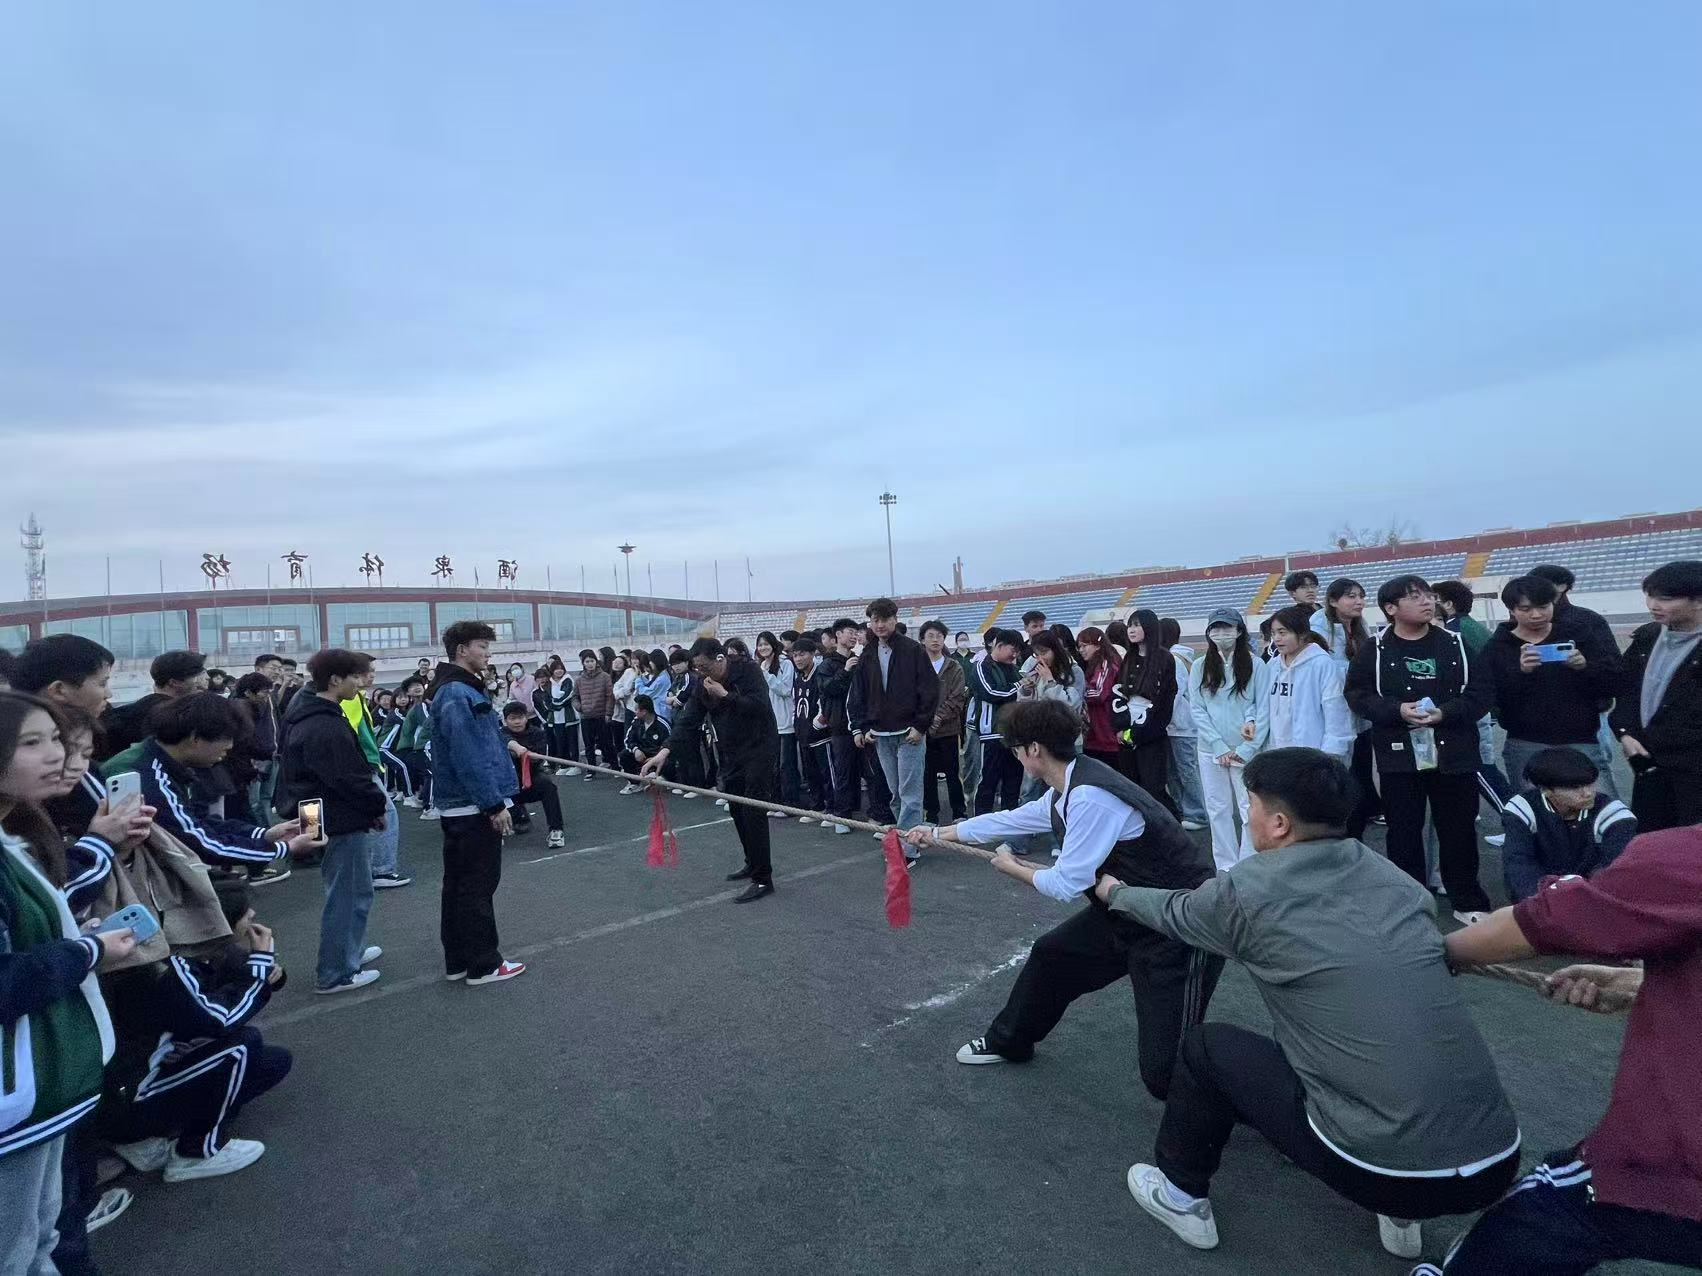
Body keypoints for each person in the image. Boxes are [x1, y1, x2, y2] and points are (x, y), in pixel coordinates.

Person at [1099, 748, 1520, 1258]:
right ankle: (1401, 1217)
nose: (1247, 814)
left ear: (1279, 824)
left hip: (1383, 1171)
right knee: (1356, 1029)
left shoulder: (1247, 893)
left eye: (1251, 804)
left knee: (1206, 1048)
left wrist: (1116, 893)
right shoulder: (1400, 885)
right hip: (1498, 1160)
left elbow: (1176, 912)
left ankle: (1180, 1195)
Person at [901, 699, 1221, 1100]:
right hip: (1125, 912)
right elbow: (1011, 819)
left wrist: (1011, 866)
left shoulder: (1090, 796)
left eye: (1016, 749)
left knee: (1166, 1074)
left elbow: (1066, 884)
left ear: (1034, 749)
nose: (1015, 756)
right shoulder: (1067, 786)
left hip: (1178, 928)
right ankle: (1009, 1041)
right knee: (1052, 955)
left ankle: (1253, 1097)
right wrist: (936, 834)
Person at [1431, 823, 1702, 1274]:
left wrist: (1433, 954)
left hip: (1670, 1169)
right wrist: (1646, 983)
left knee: (1530, 1223)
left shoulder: (1684, 857)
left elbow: (1545, 921)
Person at [0, 693, 130, 1276]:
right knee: (19, 1248)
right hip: (20, 1088)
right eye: (32, 743)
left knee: (43, 1234)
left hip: (44, 1082)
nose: (58, 756)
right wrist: (86, 951)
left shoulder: (16, 839)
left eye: (57, 739)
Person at [96, 877, 290, 1183]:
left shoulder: (200, 952)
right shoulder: (168, 969)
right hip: (129, 1097)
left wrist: (267, 972)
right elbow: (222, 1019)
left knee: (272, 1061)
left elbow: (236, 978)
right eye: (246, 915)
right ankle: (194, 1152)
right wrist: (261, 967)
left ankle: (163, 1133)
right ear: (218, 923)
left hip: (151, 1068)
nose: (253, 918)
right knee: (241, 1047)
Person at [1344, 575, 1495, 923]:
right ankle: (1410, 900)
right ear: (1391, 608)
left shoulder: (1455, 644)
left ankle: (1467, 900)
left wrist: (1446, 713)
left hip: (1454, 751)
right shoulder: (1376, 649)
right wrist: (1396, 710)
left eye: (1428, 595)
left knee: (1458, 828)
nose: (1427, 601)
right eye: (1414, 597)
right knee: (1403, 829)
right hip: (1398, 753)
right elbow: (1357, 695)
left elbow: (1482, 693)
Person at [272, 649, 385, 994]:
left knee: (345, 886)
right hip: (338, 814)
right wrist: (376, 807)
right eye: (356, 677)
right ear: (335, 680)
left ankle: (349, 952)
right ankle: (336, 971)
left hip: (315, 810)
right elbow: (349, 778)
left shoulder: (304, 710)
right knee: (348, 892)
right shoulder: (324, 723)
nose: (361, 684)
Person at [640, 638, 780, 903]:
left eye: (705, 667)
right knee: (736, 808)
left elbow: (760, 707)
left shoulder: (748, 671)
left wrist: (725, 695)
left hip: (760, 749)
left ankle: (763, 878)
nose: (702, 673)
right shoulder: (702, 684)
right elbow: (688, 720)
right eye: (697, 668)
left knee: (753, 811)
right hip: (730, 751)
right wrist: (664, 752)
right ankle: (752, 862)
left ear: (720, 659)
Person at [427, 622, 527, 985]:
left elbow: (478, 740)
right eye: (482, 646)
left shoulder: (456, 688)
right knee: (477, 886)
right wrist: (493, 805)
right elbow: (467, 754)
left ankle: (458, 961)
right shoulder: (457, 692)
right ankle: (484, 964)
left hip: (460, 804)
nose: (488, 653)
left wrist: (507, 744)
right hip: (471, 806)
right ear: (461, 650)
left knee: (457, 885)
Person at [135, 694, 315, 877]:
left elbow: (200, 822)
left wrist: (266, 834)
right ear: (195, 738)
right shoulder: (153, 779)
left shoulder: (164, 764)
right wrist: (283, 848)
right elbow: (202, 843)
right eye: (225, 744)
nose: (226, 752)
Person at [1479, 574, 1623, 787]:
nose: (1536, 615)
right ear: (1512, 610)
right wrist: (1521, 672)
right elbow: (1489, 696)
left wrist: (1585, 667)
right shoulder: (1498, 646)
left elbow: (1614, 681)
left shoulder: (1577, 634)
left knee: (1598, 801)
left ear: (1553, 603)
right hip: (1525, 741)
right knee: (1534, 805)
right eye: (1526, 609)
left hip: (1581, 738)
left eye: (1543, 607)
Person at [1610, 559, 1702, 831]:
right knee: (1652, 841)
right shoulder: (1648, 636)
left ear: (1698, 601)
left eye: (1665, 598)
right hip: (1649, 766)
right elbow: (1626, 690)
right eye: (1650, 596)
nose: (1653, 605)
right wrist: (1625, 733)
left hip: (1692, 770)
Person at [851, 598, 939, 859]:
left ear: (894, 620)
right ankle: (906, 838)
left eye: (885, 619)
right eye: (875, 620)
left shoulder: (912, 650)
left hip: (909, 733)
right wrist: (861, 727)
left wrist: (920, 726)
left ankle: (908, 850)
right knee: (896, 794)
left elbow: (930, 689)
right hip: (881, 734)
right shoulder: (868, 653)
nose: (880, 625)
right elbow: (859, 693)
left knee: (910, 794)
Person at [1499, 746, 1636, 903]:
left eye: (1590, 784)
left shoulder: (1615, 814)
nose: (1588, 793)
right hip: (1539, 897)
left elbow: (1614, 869)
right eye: (1575, 787)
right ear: (1545, 790)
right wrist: (1540, 902)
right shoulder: (1522, 808)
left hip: (1594, 899)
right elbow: (1519, 864)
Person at [1432, 580, 1515, 817]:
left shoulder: (1455, 633)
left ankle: (1516, 819)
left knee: (1480, 768)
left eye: (1435, 599)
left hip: (1471, 709)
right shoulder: (1473, 626)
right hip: (1481, 706)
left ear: (1448, 605)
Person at [1190, 609, 1264, 871]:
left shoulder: (1256, 664)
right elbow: (1197, 709)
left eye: (1227, 628)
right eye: (1216, 628)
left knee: (1248, 808)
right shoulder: (1200, 666)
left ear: (1239, 631)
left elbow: (1262, 706)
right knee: (1217, 809)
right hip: (1210, 749)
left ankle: (1248, 863)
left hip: (1244, 750)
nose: (1221, 634)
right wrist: (1217, 745)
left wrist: (1247, 748)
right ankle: (1225, 866)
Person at [1310, 578, 1383, 834]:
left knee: (1360, 773)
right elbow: (1323, 671)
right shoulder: (1319, 629)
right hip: (1335, 715)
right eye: (1351, 596)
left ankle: (1356, 828)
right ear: (1333, 601)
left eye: (1361, 596)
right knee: (1340, 776)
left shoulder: (1361, 627)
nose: (1358, 601)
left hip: (1361, 715)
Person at [339, 667, 410, 890]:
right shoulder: (348, 700)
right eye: (366, 672)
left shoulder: (355, 698)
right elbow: (348, 735)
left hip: (360, 765)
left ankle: (365, 871)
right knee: (385, 812)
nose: (371, 676)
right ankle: (381, 870)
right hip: (358, 767)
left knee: (341, 822)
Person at [1262, 605, 1353, 759]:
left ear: (1303, 634)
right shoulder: (1272, 666)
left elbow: (1335, 709)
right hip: (1277, 751)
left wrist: (1332, 751)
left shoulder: (1322, 664)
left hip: (1312, 752)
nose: (1276, 638)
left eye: (1282, 633)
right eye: (1273, 633)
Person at [1115, 608, 1179, 817]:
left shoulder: (1164, 659)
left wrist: (1139, 731)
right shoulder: (1128, 658)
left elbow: (1163, 701)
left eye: (1137, 625)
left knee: (1154, 787)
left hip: (1151, 733)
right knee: (1131, 786)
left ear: (1149, 627)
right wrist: (1121, 727)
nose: (1131, 630)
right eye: (1130, 626)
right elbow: (1117, 692)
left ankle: (1171, 826)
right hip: (1127, 731)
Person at [99, 650, 209, 759]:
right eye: (198, 675)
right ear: (175, 682)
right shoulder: (174, 717)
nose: (206, 678)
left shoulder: (132, 710)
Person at [969, 629, 1025, 813]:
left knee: (1013, 782)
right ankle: (980, 821)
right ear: (999, 646)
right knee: (987, 781)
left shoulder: (1014, 669)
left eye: (1017, 652)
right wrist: (1019, 686)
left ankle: (1010, 822)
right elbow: (991, 693)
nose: (1015, 655)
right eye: (1013, 650)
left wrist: (1022, 687)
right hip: (991, 734)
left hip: (1013, 735)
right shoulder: (981, 666)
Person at [1160, 618, 1208, 831]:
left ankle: (1196, 814)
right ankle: (1183, 810)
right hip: (1175, 726)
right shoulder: (1178, 658)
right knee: (1175, 772)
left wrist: (1161, 718)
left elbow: (1174, 694)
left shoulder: (1175, 660)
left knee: (1186, 771)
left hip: (1181, 726)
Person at [918, 620, 968, 825]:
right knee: (927, 774)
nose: (935, 640)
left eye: (939, 636)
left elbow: (957, 698)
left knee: (953, 773)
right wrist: (924, 722)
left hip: (948, 730)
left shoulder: (954, 667)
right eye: (931, 635)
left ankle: (959, 813)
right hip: (922, 731)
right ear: (922, 640)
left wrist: (937, 718)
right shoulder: (916, 666)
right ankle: (931, 815)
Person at [499, 703, 565, 847]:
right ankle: (509, 823)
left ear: (526, 718)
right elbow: (503, 739)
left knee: (548, 786)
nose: (517, 722)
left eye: (520, 717)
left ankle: (556, 830)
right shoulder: (499, 734)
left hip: (531, 777)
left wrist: (527, 754)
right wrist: (515, 749)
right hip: (507, 784)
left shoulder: (537, 733)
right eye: (512, 718)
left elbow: (538, 758)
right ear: (505, 720)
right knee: (520, 825)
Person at [789, 637, 833, 824]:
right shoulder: (799, 678)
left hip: (821, 736)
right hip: (803, 735)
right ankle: (817, 807)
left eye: (802, 654)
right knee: (811, 774)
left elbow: (825, 705)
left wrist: (816, 726)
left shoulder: (820, 674)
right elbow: (795, 703)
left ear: (813, 654)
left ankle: (833, 809)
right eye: (795, 655)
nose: (798, 659)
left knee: (827, 774)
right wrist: (797, 725)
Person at [756, 632, 798, 816]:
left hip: (786, 722)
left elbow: (785, 690)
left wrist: (766, 675)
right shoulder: (762, 665)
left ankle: (790, 804)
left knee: (786, 766)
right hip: (770, 724)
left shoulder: (785, 663)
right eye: (760, 645)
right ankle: (776, 802)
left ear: (773, 645)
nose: (763, 648)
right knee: (772, 766)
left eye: (766, 644)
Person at [1076, 625, 1124, 772]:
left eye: (1085, 645)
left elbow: (1099, 693)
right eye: (1079, 647)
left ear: (1097, 645)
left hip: (1106, 733)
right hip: (1098, 735)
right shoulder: (1097, 664)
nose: (1081, 650)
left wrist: (1077, 693)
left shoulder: (1106, 664)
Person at [616, 696, 670, 795]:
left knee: (667, 762)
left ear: (644, 711)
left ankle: (663, 779)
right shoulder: (636, 721)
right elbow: (628, 739)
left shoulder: (663, 725)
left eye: (636, 709)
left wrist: (656, 758)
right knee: (624, 755)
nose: (635, 712)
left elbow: (670, 745)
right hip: (642, 755)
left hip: (658, 756)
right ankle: (635, 783)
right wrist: (635, 750)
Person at [574, 650, 615, 779]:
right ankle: (591, 770)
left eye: (592, 661)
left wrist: (608, 713)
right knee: (589, 745)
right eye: (587, 661)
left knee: (606, 743)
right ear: (583, 663)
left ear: (596, 662)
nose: (590, 664)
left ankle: (616, 767)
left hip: (601, 715)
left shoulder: (605, 677)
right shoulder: (579, 679)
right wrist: (580, 707)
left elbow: (610, 696)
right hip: (586, 717)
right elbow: (574, 697)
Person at [533, 662, 580, 776]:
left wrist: (556, 703)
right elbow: (546, 700)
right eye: (556, 669)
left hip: (569, 716)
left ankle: (575, 765)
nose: (559, 671)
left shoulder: (567, 680)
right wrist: (553, 705)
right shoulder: (549, 683)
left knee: (572, 742)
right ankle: (564, 765)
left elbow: (567, 696)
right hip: (556, 718)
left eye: (561, 668)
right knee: (560, 742)